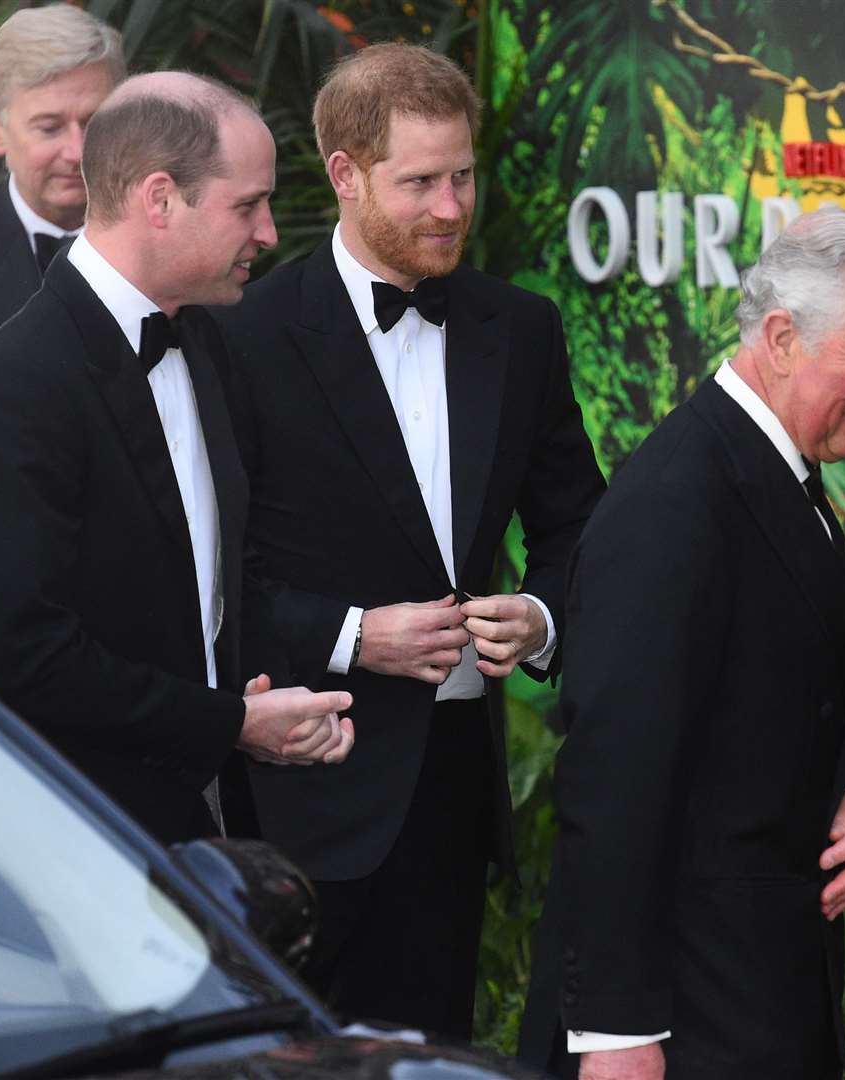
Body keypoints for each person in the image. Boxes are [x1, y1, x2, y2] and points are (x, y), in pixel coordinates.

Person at [215, 44, 607, 1040]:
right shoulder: (244, 337)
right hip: (299, 785)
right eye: (420, 182)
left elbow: (579, 524)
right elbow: (210, 578)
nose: (450, 207)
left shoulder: (520, 330)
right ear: (345, 174)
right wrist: (354, 635)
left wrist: (543, 614)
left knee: (431, 1053)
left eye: (463, 176)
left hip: (448, 797)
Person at [518, 207, 845, 1080]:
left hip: (759, 996)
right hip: (688, 1020)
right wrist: (616, 1034)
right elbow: (615, 777)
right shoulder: (678, 500)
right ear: (781, 337)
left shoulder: (772, 467)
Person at [0, 72, 355, 845]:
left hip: (206, 829)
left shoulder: (206, 343)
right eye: (247, 204)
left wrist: (269, 700)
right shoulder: (16, 386)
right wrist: (229, 722)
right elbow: (22, 657)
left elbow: (213, 586)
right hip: (78, 841)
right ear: (159, 199)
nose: (268, 232)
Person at [0, 3, 123, 649]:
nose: (76, 151)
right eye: (48, 126)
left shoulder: (190, 268)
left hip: (163, 670)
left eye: (96, 123)